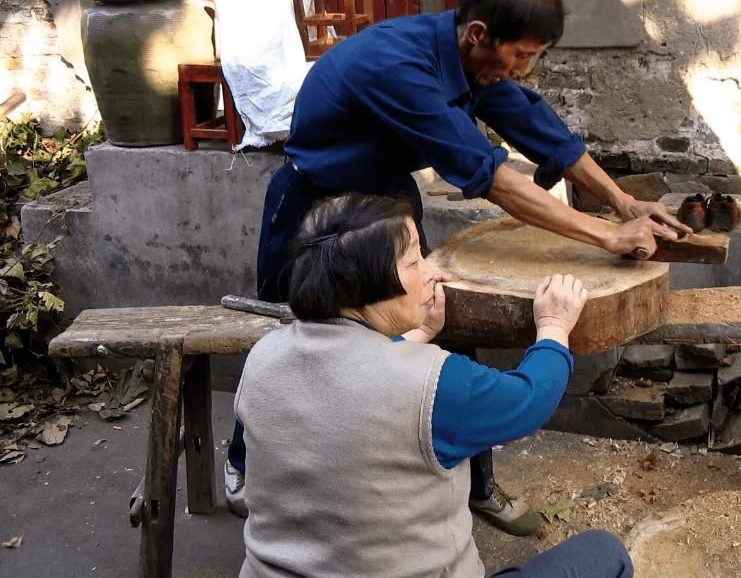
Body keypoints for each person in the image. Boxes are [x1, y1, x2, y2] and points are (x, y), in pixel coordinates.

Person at [229, 0, 691, 532]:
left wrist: (623, 203)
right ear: (479, 36)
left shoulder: (477, 66)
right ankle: (245, 466)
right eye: (522, 56)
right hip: (318, 208)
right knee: (301, 343)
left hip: (387, 199)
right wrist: (602, 233)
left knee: (442, 320)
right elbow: (490, 176)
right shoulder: (398, 65)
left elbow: (540, 129)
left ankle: (475, 483)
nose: (525, 70)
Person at [235, 193, 633, 578]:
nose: (432, 271)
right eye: (414, 260)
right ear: (371, 281)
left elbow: (354, 380)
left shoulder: (263, 357)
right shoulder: (436, 385)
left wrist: (422, 331)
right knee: (604, 555)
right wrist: (554, 328)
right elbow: (529, 398)